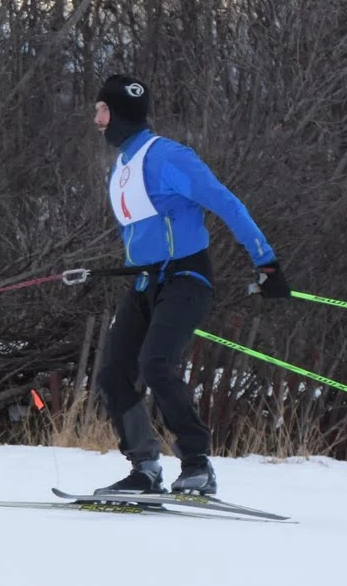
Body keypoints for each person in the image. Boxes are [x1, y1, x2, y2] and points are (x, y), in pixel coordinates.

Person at [92, 74, 288, 496]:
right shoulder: (123, 164)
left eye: (102, 111)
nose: (97, 121)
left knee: (156, 364)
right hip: (145, 282)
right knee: (112, 374)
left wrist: (265, 262)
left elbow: (226, 203)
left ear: (119, 113)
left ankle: (197, 465)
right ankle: (144, 467)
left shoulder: (168, 157)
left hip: (186, 276)